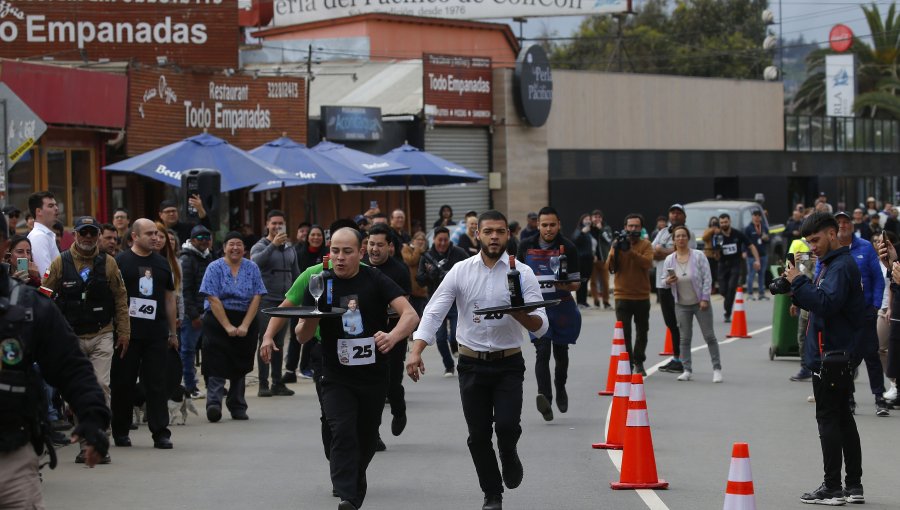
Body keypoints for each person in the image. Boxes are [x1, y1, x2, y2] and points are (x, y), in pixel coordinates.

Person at [265, 227, 417, 510]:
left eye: (347, 251)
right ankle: (348, 495)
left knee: (367, 438)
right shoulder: (319, 281)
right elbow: (302, 336)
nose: (340, 257)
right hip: (335, 373)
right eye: (335, 251)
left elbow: (410, 315)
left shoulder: (375, 278)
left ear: (360, 253)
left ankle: (354, 478)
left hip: (372, 374)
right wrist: (312, 318)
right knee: (342, 430)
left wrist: (393, 336)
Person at [408, 210, 547, 510]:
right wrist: (417, 349)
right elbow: (434, 311)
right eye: (488, 232)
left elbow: (542, 323)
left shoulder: (522, 273)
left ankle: (508, 453)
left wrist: (520, 314)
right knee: (478, 435)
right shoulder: (460, 270)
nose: (494, 237)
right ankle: (492, 494)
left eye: (499, 231)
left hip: (508, 362)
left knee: (507, 427)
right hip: (471, 364)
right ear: (478, 235)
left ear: (508, 236)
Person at [0, 212, 111, 508]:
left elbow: (70, 366)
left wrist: (92, 418)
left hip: (11, 457)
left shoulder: (27, 307)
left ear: (2, 247)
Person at [785, 212, 865, 506]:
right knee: (843, 419)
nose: (812, 246)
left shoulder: (840, 266)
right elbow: (823, 301)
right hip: (836, 353)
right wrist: (798, 289)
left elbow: (827, 304)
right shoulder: (833, 264)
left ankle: (832, 488)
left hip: (831, 354)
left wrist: (799, 282)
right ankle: (853, 486)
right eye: (808, 242)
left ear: (833, 233)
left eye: (816, 240)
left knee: (829, 420)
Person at [42, 216, 130, 463]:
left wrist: (124, 333)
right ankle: (85, 444)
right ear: (76, 234)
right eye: (84, 233)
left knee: (101, 386)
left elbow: (121, 300)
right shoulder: (60, 262)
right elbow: (44, 296)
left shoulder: (109, 263)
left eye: (93, 233)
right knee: (78, 391)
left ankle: (101, 441)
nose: (89, 238)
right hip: (72, 336)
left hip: (102, 333)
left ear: (98, 235)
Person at [111, 219, 177, 450]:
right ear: (134, 237)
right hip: (127, 335)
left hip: (156, 334)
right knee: (123, 383)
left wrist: (173, 332)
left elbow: (169, 299)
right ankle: (120, 430)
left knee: (156, 384)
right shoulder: (120, 262)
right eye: (149, 233)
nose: (155, 237)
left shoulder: (161, 264)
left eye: (157, 234)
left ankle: (160, 433)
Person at [517, 206, 581, 421]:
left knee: (561, 354)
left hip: (562, 307)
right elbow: (515, 277)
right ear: (538, 225)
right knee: (542, 351)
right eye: (544, 225)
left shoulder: (569, 247)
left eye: (552, 225)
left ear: (559, 224)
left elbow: (576, 284)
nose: (548, 229)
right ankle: (545, 397)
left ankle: (560, 386)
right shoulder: (525, 246)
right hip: (537, 308)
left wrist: (566, 286)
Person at [200, 232, 267, 422]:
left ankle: (237, 405)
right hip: (218, 318)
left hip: (245, 317)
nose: (235, 248)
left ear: (244, 249)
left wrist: (245, 324)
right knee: (216, 362)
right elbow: (212, 297)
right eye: (231, 244)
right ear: (224, 247)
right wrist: (227, 326)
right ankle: (213, 403)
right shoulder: (214, 267)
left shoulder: (252, 267)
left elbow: (257, 295)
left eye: (239, 244)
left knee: (241, 362)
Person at [832, 212, 889, 416]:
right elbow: (821, 273)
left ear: (852, 224)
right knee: (847, 358)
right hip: (842, 314)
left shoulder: (865, 247)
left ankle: (879, 398)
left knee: (871, 354)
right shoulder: (832, 249)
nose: (842, 225)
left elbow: (878, 278)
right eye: (838, 223)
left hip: (864, 312)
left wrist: (874, 305)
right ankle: (849, 397)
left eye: (846, 222)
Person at [363, 224, 413, 441]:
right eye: (371, 244)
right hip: (365, 335)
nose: (374, 249)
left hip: (393, 335)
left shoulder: (399, 271)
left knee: (391, 383)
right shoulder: (361, 267)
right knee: (371, 388)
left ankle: (398, 409)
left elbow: (404, 307)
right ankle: (373, 435)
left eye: (379, 245)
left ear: (390, 247)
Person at [662, 225, 722, 383]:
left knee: (709, 336)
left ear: (688, 238)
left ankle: (717, 369)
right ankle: (687, 369)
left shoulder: (698, 256)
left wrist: (705, 298)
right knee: (684, 338)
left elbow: (707, 278)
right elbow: (663, 281)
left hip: (699, 302)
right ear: (673, 240)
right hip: (681, 304)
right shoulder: (670, 259)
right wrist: (668, 281)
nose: (680, 239)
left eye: (683, 236)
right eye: (677, 236)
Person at [251, 210, 300, 397]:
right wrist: (272, 245)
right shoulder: (260, 245)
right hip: (266, 300)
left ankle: (277, 382)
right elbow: (255, 263)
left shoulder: (290, 248)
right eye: (274, 223)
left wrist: (299, 295)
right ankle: (263, 383)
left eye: (281, 223)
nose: (277, 226)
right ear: (267, 225)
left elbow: (296, 273)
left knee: (279, 341)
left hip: (285, 301)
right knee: (265, 339)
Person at [417, 226, 468, 376]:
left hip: (456, 301)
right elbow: (420, 280)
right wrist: (429, 275)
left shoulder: (458, 253)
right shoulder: (426, 256)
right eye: (440, 240)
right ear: (434, 240)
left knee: (455, 335)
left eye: (446, 239)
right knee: (440, 338)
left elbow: (469, 272)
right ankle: (449, 366)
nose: (443, 243)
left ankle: (455, 348)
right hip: (436, 301)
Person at [608, 213, 654, 375]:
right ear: (625, 227)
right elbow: (610, 267)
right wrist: (616, 249)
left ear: (641, 228)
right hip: (622, 296)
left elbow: (647, 263)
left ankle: (639, 361)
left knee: (642, 331)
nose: (633, 229)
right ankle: (626, 364)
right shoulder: (618, 244)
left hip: (642, 296)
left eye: (636, 226)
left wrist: (630, 252)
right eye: (630, 226)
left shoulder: (646, 245)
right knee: (624, 333)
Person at [652, 204, 695, 374]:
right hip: (663, 284)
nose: (675, 215)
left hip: (681, 285)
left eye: (679, 213)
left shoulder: (688, 233)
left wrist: (663, 251)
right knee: (670, 323)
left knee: (681, 323)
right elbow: (652, 251)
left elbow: (683, 252)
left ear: (684, 216)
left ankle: (683, 359)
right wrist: (666, 250)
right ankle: (677, 358)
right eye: (673, 212)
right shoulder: (663, 232)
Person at [286, 224, 326, 382]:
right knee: (296, 335)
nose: (316, 238)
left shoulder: (326, 255)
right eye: (313, 235)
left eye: (319, 235)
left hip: (318, 300)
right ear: (307, 237)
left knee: (311, 335)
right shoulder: (298, 252)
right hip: (300, 298)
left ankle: (305, 367)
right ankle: (290, 369)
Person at [179, 225, 214, 399]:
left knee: (210, 350)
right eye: (200, 238)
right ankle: (190, 386)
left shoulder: (209, 257)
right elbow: (186, 289)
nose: (204, 241)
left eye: (207, 238)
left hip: (208, 311)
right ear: (192, 240)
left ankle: (212, 385)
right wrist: (193, 315)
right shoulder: (186, 259)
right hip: (191, 315)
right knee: (187, 351)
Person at [715, 213, 760, 323]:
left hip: (735, 264)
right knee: (722, 290)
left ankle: (727, 312)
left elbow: (751, 246)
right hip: (722, 265)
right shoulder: (717, 236)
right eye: (721, 223)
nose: (724, 224)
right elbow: (715, 255)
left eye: (725, 222)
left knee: (731, 287)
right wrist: (717, 250)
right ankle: (729, 300)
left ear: (729, 221)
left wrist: (757, 260)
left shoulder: (737, 234)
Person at [26, 191, 61, 276]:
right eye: (51, 206)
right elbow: (46, 275)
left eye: (55, 205)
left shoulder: (46, 235)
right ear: (38, 211)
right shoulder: (39, 237)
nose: (56, 208)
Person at [589, 209, 613, 309]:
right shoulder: (588, 229)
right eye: (595, 217)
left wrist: (601, 229)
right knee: (593, 281)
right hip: (592, 260)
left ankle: (606, 302)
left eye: (599, 217)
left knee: (605, 282)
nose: (597, 219)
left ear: (601, 219)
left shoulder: (606, 228)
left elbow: (609, 240)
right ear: (591, 218)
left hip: (603, 259)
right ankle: (596, 301)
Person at [744, 210, 770, 300]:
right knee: (751, 274)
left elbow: (768, 240)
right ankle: (750, 293)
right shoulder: (748, 228)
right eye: (755, 215)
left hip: (763, 254)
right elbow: (745, 241)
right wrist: (744, 251)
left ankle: (761, 293)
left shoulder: (764, 227)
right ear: (752, 216)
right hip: (751, 256)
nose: (757, 217)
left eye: (759, 215)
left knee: (761, 274)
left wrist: (766, 238)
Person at [571, 213, 595, 308]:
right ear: (581, 221)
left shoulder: (589, 232)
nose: (588, 221)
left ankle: (584, 301)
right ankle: (580, 301)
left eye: (589, 219)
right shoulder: (579, 230)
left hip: (589, 259)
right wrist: (582, 232)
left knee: (586, 280)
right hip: (581, 260)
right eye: (586, 219)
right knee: (581, 281)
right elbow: (575, 240)